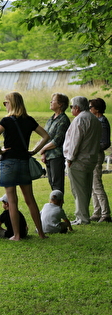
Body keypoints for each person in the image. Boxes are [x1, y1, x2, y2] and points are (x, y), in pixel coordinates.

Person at [0, 91, 49, 240]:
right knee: (30, 199)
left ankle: (16, 235)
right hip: (23, 161)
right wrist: (34, 150)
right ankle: (41, 233)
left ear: (11, 103)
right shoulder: (29, 120)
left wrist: (0, 151)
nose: (5, 105)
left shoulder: (6, 120)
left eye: (6, 102)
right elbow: (46, 136)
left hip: (8, 162)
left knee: (12, 200)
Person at [63, 96, 102, 225]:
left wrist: (70, 158)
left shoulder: (79, 120)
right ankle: (82, 216)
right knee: (85, 189)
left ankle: (82, 218)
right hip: (90, 159)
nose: (71, 110)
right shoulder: (94, 119)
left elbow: (75, 141)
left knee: (78, 190)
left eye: (71, 107)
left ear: (77, 107)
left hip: (78, 160)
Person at [40, 92, 71, 193]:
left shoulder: (64, 120)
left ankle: (58, 207)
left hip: (57, 156)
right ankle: (54, 206)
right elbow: (45, 137)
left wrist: (43, 149)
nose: (50, 102)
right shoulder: (51, 118)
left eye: (53, 100)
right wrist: (44, 153)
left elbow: (57, 140)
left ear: (60, 104)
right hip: (48, 156)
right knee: (51, 183)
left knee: (57, 185)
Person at [89, 98, 111, 223]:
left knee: (96, 184)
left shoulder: (102, 121)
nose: (89, 109)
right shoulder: (97, 120)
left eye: (90, 107)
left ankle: (105, 213)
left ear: (96, 109)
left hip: (96, 155)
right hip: (92, 155)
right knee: (92, 185)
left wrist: (92, 148)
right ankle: (97, 212)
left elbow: (105, 142)